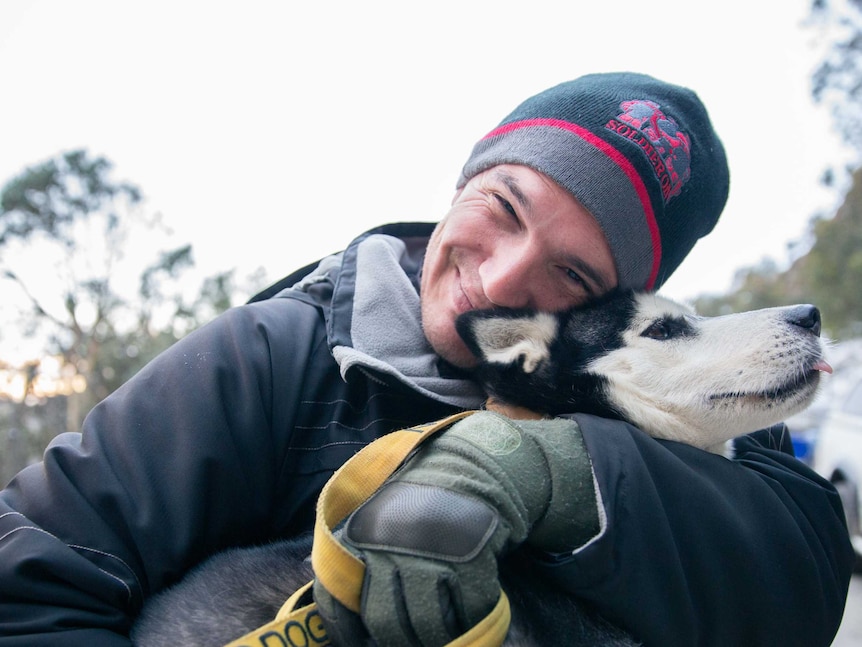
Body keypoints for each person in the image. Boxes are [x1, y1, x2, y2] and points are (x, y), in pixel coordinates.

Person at [0, 72, 853, 646]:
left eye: (574, 274)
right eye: (504, 207)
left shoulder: (667, 405)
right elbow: (35, 569)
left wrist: (558, 474)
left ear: (611, 314)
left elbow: (806, 573)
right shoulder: (274, 354)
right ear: (461, 183)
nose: (506, 278)